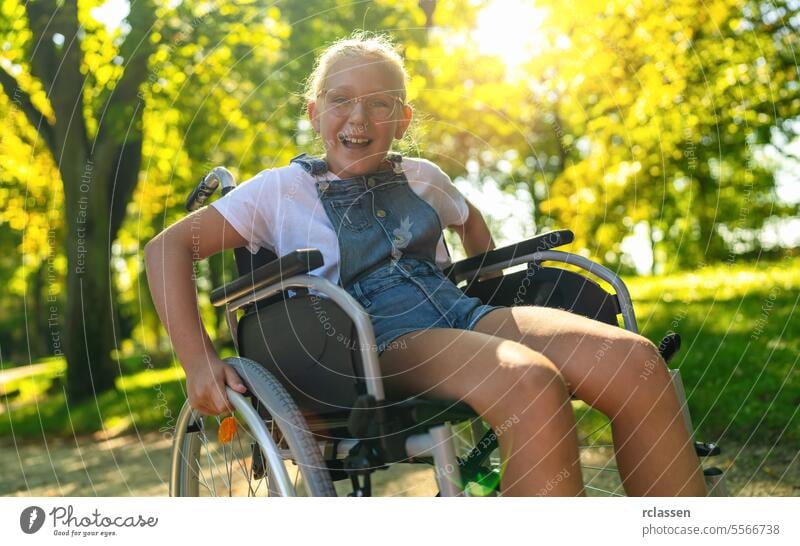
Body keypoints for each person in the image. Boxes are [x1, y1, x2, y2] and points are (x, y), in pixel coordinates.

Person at [145, 32, 706, 496]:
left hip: (460, 310)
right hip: (367, 343)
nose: (358, 116)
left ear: (403, 116)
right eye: (340, 99)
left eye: (379, 103)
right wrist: (198, 363)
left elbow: (472, 219)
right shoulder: (281, 190)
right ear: (315, 112)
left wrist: (486, 282)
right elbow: (166, 248)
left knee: (635, 365)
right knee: (530, 383)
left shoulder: (423, 178)